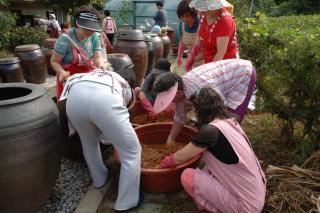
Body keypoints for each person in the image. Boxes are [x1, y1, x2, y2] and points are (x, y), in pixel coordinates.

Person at [159, 87, 266, 212]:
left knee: (187, 176)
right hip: (257, 194)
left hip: (245, 206)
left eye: (195, 109)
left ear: (200, 110)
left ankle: (207, 207)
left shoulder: (209, 132)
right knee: (206, 170)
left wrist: (161, 164)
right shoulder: (230, 122)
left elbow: (179, 158)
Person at [64, 67, 143, 212]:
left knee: (89, 143)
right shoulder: (125, 85)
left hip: (74, 99)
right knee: (132, 152)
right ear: (130, 82)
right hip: (104, 101)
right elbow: (127, 108)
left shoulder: (98, 73)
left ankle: (99, 179)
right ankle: (127, 202)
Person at [151, 59, 256, 143]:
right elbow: (179, 118)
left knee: (230, 119)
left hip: (242, 74)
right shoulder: (179, 90)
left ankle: (232, 147)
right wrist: (170, 141)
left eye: (169, 99)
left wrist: (205, 138)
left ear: (176, 93)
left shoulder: (201, 88)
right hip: (223, 79)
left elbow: (220, 108)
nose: (169, 102)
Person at [51, 5, 111, 100]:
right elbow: (54, 61)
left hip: (87, 76)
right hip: (68, 77)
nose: (90, 32)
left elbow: (97, 57)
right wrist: (61, 72)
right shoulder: (64, 39)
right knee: (70, 105)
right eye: (86, 28)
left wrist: (101, 64)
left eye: (92, 29)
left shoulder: (94, 36)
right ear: (76, 25)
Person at [186, 0, 239, 71]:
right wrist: (191, 56)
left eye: (207, 8)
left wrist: (208, 71)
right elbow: (199, 37)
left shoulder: (225, 20)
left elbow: (220, 53)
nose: (203, 11)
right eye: (202, 7)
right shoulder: (204, 15)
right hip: (209, 60)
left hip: (224, 65)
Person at [176, 0, 203, 68]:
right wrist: (179, 56)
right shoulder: (182, 24)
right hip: (191, 58)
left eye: (187, 16)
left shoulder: (202, 23)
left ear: (194, 14)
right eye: (182, 16)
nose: (184, 19)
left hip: (204, 60)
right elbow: (182, 40)